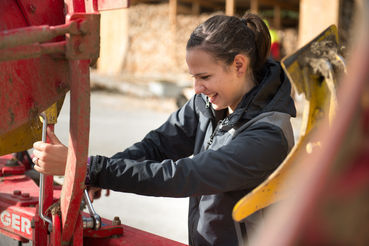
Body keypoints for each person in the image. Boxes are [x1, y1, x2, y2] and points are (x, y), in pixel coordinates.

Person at [32, 12, 296, 246]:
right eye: (194, 78)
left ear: (239, 65)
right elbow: (157, 145)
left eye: (205, 77)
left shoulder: (267, 136)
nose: (197, 89)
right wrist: (96, 175)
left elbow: (185, 176)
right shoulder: (208, 103)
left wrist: (86, 167)